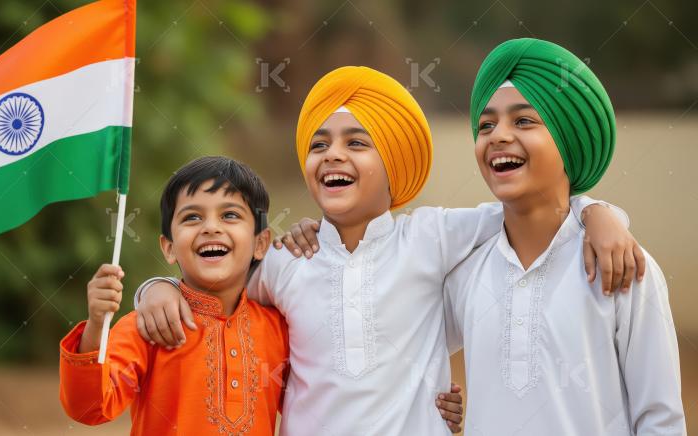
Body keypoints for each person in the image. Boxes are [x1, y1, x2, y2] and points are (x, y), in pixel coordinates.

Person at [133, 66, 641, 435]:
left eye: (357, 143)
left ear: (395, 165)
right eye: (319, 144)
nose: (333, 153)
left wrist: (599, 212)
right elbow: (212, 284)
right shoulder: (287, 262)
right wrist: (153, 288)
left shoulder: (430, 237)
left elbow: (530, 208)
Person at [441, 37, 685, 434]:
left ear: (569, 139)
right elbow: (405, 344)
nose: (497, 135)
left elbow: (660, 419)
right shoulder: (465, 269)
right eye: (486, 125)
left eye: (523, 121)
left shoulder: (623, 269)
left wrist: (595, 210)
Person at [59, 156, 291, 435]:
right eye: (192, 217)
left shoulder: (279, 329)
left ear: (260, 243)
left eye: (230, 215)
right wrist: (97, 323)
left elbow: (317, 402)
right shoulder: (147, 325)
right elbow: (89, 408)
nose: (211, 227)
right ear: (168, 247)